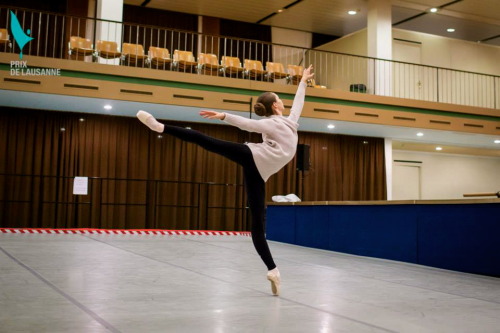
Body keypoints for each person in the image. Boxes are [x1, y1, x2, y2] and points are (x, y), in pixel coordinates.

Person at [137, 65, 314, 296]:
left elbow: (299, 103)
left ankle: (273, 270)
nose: (284, 102)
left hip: (259, 172)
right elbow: (248, 124)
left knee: (258, 222)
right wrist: (223, 116)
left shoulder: (290, 122)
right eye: (280, 99)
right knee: (208, 142)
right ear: (275, 106)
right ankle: (161, 127)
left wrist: (302, 81)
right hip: (254, 156)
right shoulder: (271, 123)